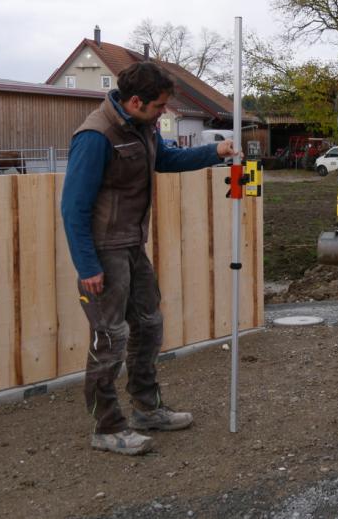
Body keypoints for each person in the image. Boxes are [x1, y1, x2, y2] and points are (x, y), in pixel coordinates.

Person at [61, 61, 239, 456]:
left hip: (131, 245)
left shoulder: (142, 127)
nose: (164, 112)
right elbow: (73, 208)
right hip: (103, 251)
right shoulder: (96, 136)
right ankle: (106, 427)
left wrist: (216, 151)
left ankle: (146, 408)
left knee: (148, 323)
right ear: (136, 101)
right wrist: (87, 266)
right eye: (159, 106)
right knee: (110, 337)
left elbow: (167, 159)